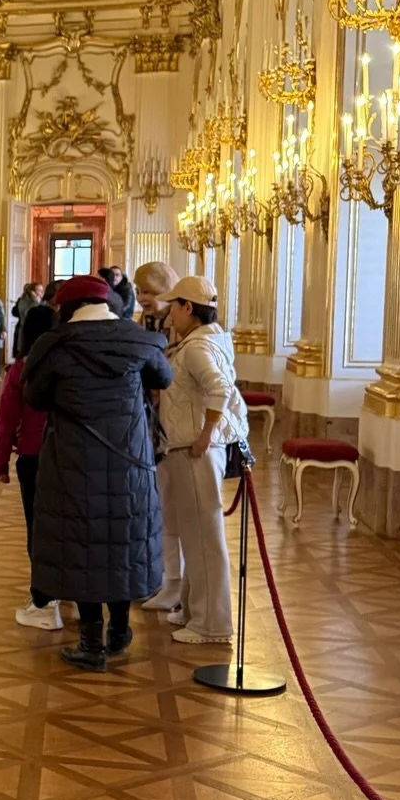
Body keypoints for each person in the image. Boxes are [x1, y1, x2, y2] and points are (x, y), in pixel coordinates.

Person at [22, 273, 173, 672]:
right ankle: (120, 630)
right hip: (128, 460)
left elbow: (34, 397)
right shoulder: (137, 339)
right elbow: (164, 377)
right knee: (120, 540)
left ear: (67, 308)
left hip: (73, 463)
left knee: (81, 545)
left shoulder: (54, 346)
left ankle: (91, 643)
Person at [157, 275, 248, 647]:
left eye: (173, 306)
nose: (168, 315)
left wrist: (205, 436)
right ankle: (194, 610)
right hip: (187, 447)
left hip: (196, 449)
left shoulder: (197, 348)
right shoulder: (202, 341)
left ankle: (212, 623)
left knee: (204, 538)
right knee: (194, 535)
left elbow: (221, 389)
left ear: (188, 308)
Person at [0, 304, 63, 630]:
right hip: (69, 457)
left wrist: (0, 463)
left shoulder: (21, 368)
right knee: (67, 526)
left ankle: (43, 602)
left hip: (34, 457)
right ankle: (71, 593)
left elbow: (6, 420)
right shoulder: (69, 366)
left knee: (38, 529)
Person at [132, 260, 184, 608]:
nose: (142, 299)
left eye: (148, 292)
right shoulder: (143, 323)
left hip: (176, 426)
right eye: (138, 292)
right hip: (152, 424)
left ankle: (177, 583)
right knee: (156, 505)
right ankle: (163, 577)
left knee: (173, 507)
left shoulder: (181, 327)